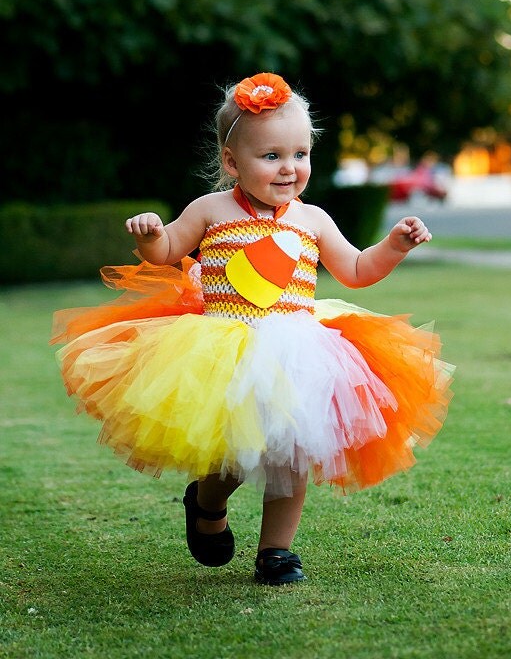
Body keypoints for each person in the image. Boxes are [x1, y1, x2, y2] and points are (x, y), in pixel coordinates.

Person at [51, 72, 454, 586]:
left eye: (300, 155)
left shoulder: (312, 220)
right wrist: (152, 235)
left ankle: (276, 552)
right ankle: (206, 502)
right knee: (230, 458)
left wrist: (394, 246)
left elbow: (356, 270)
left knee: (291, 455)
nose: (289, 168)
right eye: (272, 157)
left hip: (298, 348)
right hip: (224, 348)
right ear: (231, 161)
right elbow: (169, 250)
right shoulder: (210, 210)